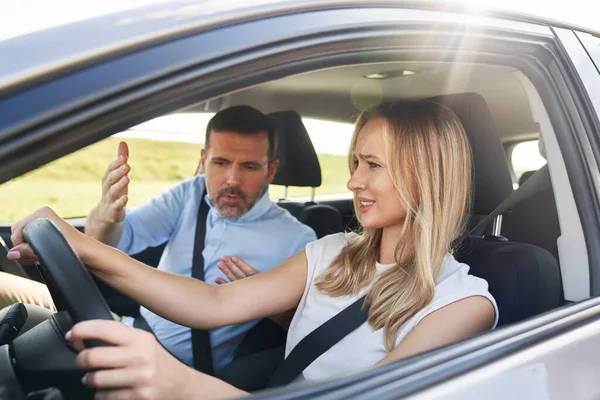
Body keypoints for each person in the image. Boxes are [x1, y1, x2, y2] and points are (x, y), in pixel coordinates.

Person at [9, 99, 498, 399]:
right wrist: (80, 244)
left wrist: (184, 387)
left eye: (372, 164)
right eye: (355, 162)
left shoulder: (464, 304)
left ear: (424, 175)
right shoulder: (331, 252)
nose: (352, 181)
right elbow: (212, 303)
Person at [1, 105, 317, 375]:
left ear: (271, 170)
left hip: (171, 368)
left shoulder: (298, 241)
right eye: (221, 163)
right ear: (204, 159)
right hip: (125, 325)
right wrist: (106, 214)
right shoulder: (190, 194)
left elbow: (310, 329)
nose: (232, 179)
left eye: (249, 166)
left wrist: (269, 301)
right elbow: (110, 242)